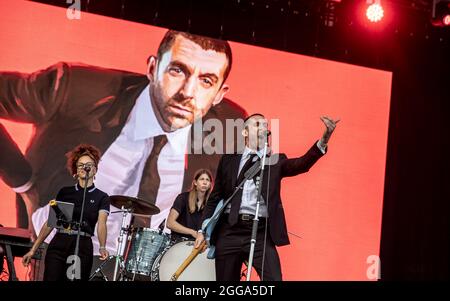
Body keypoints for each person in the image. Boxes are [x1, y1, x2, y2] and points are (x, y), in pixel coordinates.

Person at [0, 29, 246, 275]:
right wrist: (24, 183)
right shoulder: (73, 90)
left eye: (206, 81)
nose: (187, 93)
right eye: (177, 70)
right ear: (152, 68)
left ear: (219, 95)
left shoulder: (228, 129)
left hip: (149, 270)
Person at [194, 113, 339, 281]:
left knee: (273, 280)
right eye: (257, 124)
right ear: (245, 132)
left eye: (265, 124)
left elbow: (302, 164)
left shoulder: (275, 161)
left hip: (260, 232)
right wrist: (201, 230)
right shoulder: (229, 160)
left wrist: (325, 137)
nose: (262, 127)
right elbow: (214, 198)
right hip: (229, 230)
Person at [21, 144, 110, 281]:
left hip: (82, 245)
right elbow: (51, 223)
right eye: (81, 165)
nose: (85, 168)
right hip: (60, 242)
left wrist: (103, 246)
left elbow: (102, 224)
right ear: (75, 170)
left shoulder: (101, 197)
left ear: (95, 169)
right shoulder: (66, 192)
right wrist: (33, 249)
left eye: (89, 164)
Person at [166, 169, 213, 242]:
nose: (205, 182)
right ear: (195, 182)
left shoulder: (211, 204)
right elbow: (170, 223)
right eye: (202, 179)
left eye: (207, 180)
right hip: (178, 242)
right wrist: (192, 232)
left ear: (210, 184)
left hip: (197, 245)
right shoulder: (182, 198)